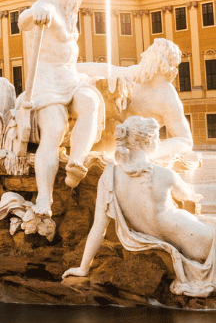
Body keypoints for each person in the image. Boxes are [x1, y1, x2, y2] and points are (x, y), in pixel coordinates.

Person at [64, 116, 216, 296]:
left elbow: (98, 227)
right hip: (201, 238)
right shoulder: (165, 173)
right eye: (157, 138)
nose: (159, 142)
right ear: (148, 141)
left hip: (189, 241)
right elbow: (188, 195)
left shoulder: (109, 176)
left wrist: (83, 267)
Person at [15, 0, 103, 215]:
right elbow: (23, 21)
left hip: (68, 77)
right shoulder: (46, 5)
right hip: (45, 80)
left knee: (90, 101)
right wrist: (36, 13)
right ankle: (44, 198)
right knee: (54, 128)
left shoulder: (70, 11)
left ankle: (76, 162)